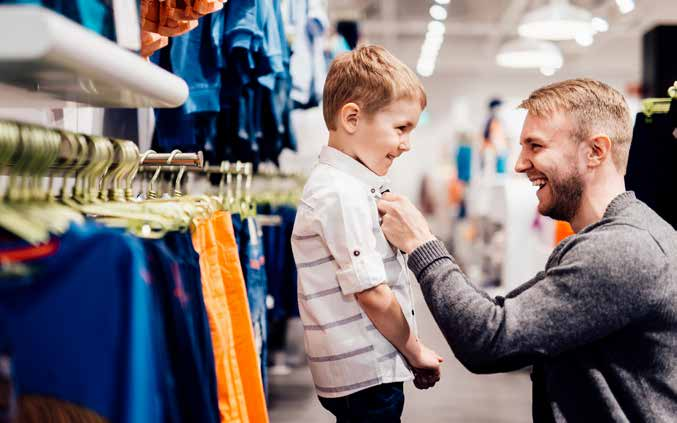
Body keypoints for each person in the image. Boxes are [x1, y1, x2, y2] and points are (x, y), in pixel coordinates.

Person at [377, 78, 677, 422]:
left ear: (596, 151)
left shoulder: (622, 249)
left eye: (535, 146)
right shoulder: (608, 239)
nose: (519, 164)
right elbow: (502, 312)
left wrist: (421, 244)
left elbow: (490, 339)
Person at [290, 45, 443, 423]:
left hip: (358, 370)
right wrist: (415, 349)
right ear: (353, 118)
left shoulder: (345, 187)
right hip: (367, 371)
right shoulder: (341, 194)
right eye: (401, 128)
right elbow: (372, 292)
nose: (407, 144)